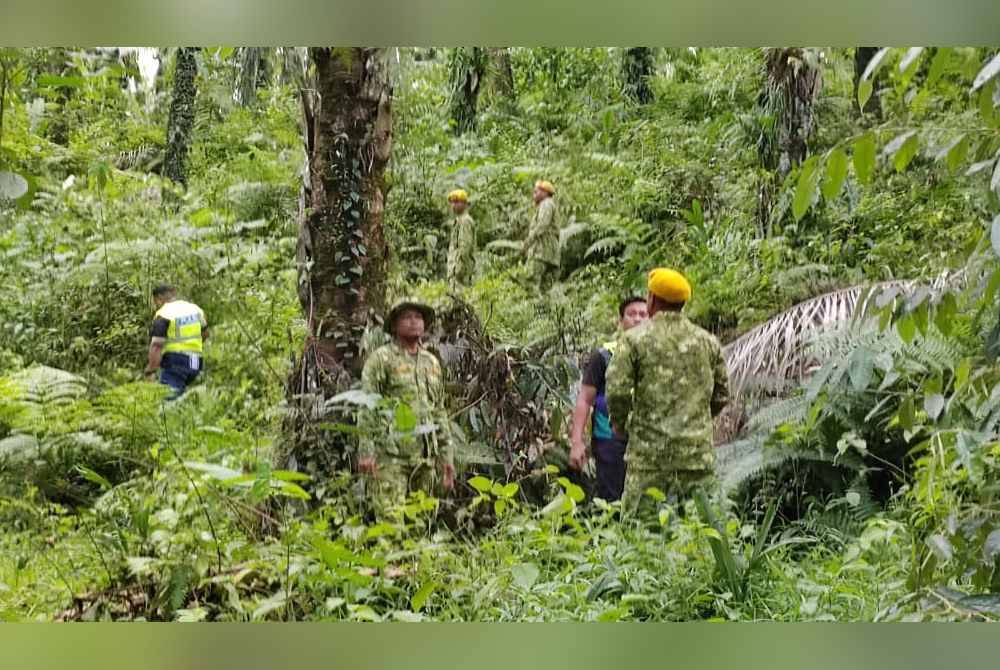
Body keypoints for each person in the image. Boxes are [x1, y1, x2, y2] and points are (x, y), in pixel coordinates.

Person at [605, 268, 729, 516]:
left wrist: (620, 424)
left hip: (649, 458)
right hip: (697, 457)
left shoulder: (634, 340)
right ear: (682, 303)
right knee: (705, 533)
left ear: (652, 299)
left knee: (640, 535)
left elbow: (617, 391)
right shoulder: (707, 341)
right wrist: (696, 422)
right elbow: (722, 395)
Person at [358, 299, 456, 501]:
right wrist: (366, 452)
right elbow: (367, 406)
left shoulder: (431, 362)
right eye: (407, 317)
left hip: (425, 459)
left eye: (418, 317)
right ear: (394, 325)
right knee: (390, 526)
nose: (414, 322)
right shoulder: (381, 359)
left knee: (421, 525)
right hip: (390, 458)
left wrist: (446, 458)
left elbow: (438, 410)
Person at [568, 297, 649, 502]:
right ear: (620, 322)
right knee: (612, 502)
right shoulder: (603, 356)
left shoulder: (659, 355)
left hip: (648, 440)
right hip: (609, 441)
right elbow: (585, 400)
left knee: (649, 501)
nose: (638, 319)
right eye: (632, 314)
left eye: (643, 314)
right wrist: (577, 442)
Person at [144, 284, 208, 398]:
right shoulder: (195, 309)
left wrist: (151, 370)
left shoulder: (164, 314)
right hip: (196, 362)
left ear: (159, 298)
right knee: (186, 399)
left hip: (176, 362)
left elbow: (156, 345)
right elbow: (205, 334)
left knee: (169, 400)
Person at [523, 180, 560, 289]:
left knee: (530, 284)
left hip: (541, 253)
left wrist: (528, 242)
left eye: (537, 192)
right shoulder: (550, 204)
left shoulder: (546, 204)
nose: (534, 194)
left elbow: (543, 224)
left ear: (545, 193)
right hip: (551, 255)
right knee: (546, 290)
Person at [446, 189, 476, 288]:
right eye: (452, 203)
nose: (453, 205)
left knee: (460, 299)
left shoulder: (465, 221)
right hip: (455, 272)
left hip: (461, 274)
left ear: (464, 204)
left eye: (456, 202)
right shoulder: (459, 221)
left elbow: (464, 248)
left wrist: (458, 271)